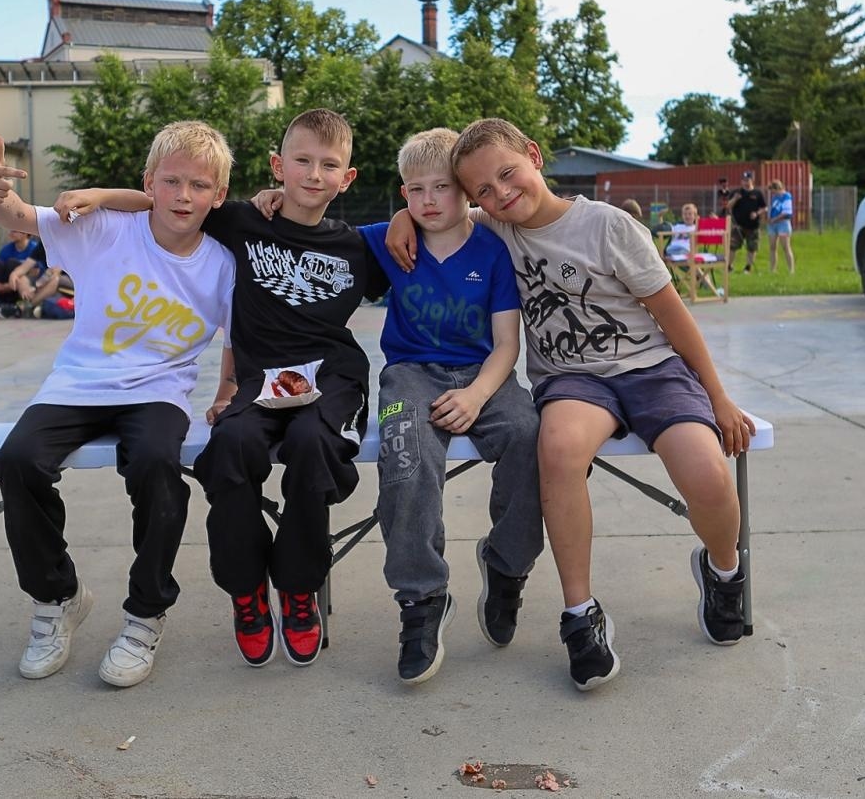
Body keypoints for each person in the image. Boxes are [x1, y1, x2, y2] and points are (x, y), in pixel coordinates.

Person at [387, 118, 755, 692]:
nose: (501, 194)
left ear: (534, 156)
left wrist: (719, 396)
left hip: (652, 369)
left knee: (706, 469)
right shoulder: (495, 228)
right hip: (573, 379)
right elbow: (438, 207)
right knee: (554, 448)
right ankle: (580, 615)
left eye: (508, 175)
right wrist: (401, 214)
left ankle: (724, 569)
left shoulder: (608, 226)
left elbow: (674, 316)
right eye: (484, 190)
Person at [59, 109, 389, 670]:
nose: (313, 175)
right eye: (302, 162)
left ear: (347, 177)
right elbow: (169, 202)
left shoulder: (361, 247)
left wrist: (408, 221)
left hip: (332, 377)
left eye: (328, 165)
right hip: (262, 379)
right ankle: (247, 591)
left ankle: (299, 589)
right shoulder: (240, 221)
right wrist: (97, 193)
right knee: (230, 448)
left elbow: (440, 227)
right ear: (277, 166)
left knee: (313, 446)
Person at [267, 128, 541, 685]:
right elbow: (315, 228)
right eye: (416, 191)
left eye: (443, 187)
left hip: (482, 375)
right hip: (409, 375)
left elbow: (508, 345)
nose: (430, 201)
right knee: (406, 455)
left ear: (465, 190)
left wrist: (476, 394)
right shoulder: (386, 237)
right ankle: (422, 599)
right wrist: (268, 199)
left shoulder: (493, 249)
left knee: (531, 436)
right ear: (402, 194)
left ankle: (507, 565)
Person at [0, 124, 236, 687]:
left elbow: (235, 340)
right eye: (171, 182)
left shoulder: (222, 263)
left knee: (156, 466)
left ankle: (145, 613)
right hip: (77, 383)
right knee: (16, 461)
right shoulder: (104, 228)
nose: (183, 196)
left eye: (199, 185)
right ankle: (57, 597)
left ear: (218, 196)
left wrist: (224, 393)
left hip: (158, 390)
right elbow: (19, 215)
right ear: (149, 184)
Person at [0, 231, 63, 313]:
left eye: (15, 231)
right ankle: (20, 302)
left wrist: (36, 287)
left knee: (55, 280)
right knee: (21, 278)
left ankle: (27, 306)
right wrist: (14, 274)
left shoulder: (63, 245)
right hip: (43, 278)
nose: (11, 233)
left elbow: (54, 271)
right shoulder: (41, 245)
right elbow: (25, 267)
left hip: (67, 279)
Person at [724, 171, 767, 273]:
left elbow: (764, 208)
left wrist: (757, 213)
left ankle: (748, 267)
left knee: (752, 247)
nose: (745, 182)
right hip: (738, 225)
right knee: (732, 246)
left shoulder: (757, 193)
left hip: (753, 226)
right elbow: (728, 206)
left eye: (747, 180)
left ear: (752, 180)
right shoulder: (736, 192)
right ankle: (729, 266)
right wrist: (735, 199)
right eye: (743, 180)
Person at [766, 180, 795, 274]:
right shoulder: (775, 197)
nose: (772, 193)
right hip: (772, 224)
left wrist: (774, 219)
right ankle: (773, 269)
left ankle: (791, 269)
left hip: (783, 223)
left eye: (773, 190)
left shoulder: (786, 196)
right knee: (772, 247)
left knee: (786, 247)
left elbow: (787, 213)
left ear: (778, 188)